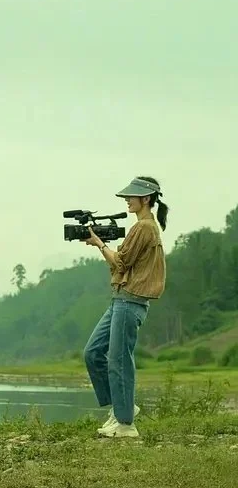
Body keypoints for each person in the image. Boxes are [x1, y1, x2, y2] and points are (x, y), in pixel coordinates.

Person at [83, 176, 168, 440]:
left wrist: (100, 244)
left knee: (119, 360)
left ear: (146, 199)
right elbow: (123, 263)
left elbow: (120, 263)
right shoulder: (141, 227)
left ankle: (126, 424)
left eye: (132, 197)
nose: (128, 200)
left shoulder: (144, 227)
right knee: (93, 352)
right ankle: (123, 408)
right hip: (120, 298)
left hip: (130, 300)